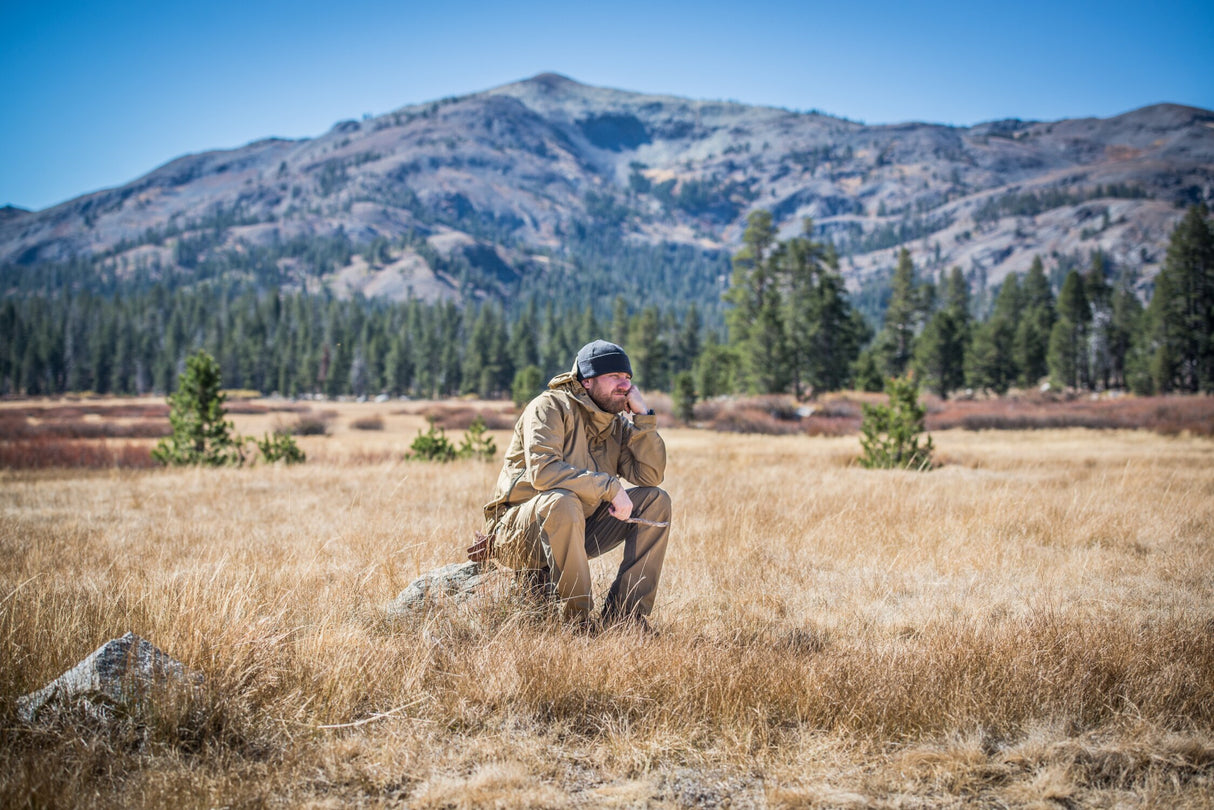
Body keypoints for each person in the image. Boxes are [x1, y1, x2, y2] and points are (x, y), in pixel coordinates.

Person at [478, 339, 671, 631]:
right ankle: (576, 622)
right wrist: (610, 487)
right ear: (588, 381)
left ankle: (626, 617)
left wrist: (644, 419)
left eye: (628, 378)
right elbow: (543, 472)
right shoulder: (549, 407)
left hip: (580, 525)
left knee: (656, 500)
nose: (625, 386)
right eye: (615, 377)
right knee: (561, 500)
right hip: (520, 532)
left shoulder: (614, 423)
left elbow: (650, 476)